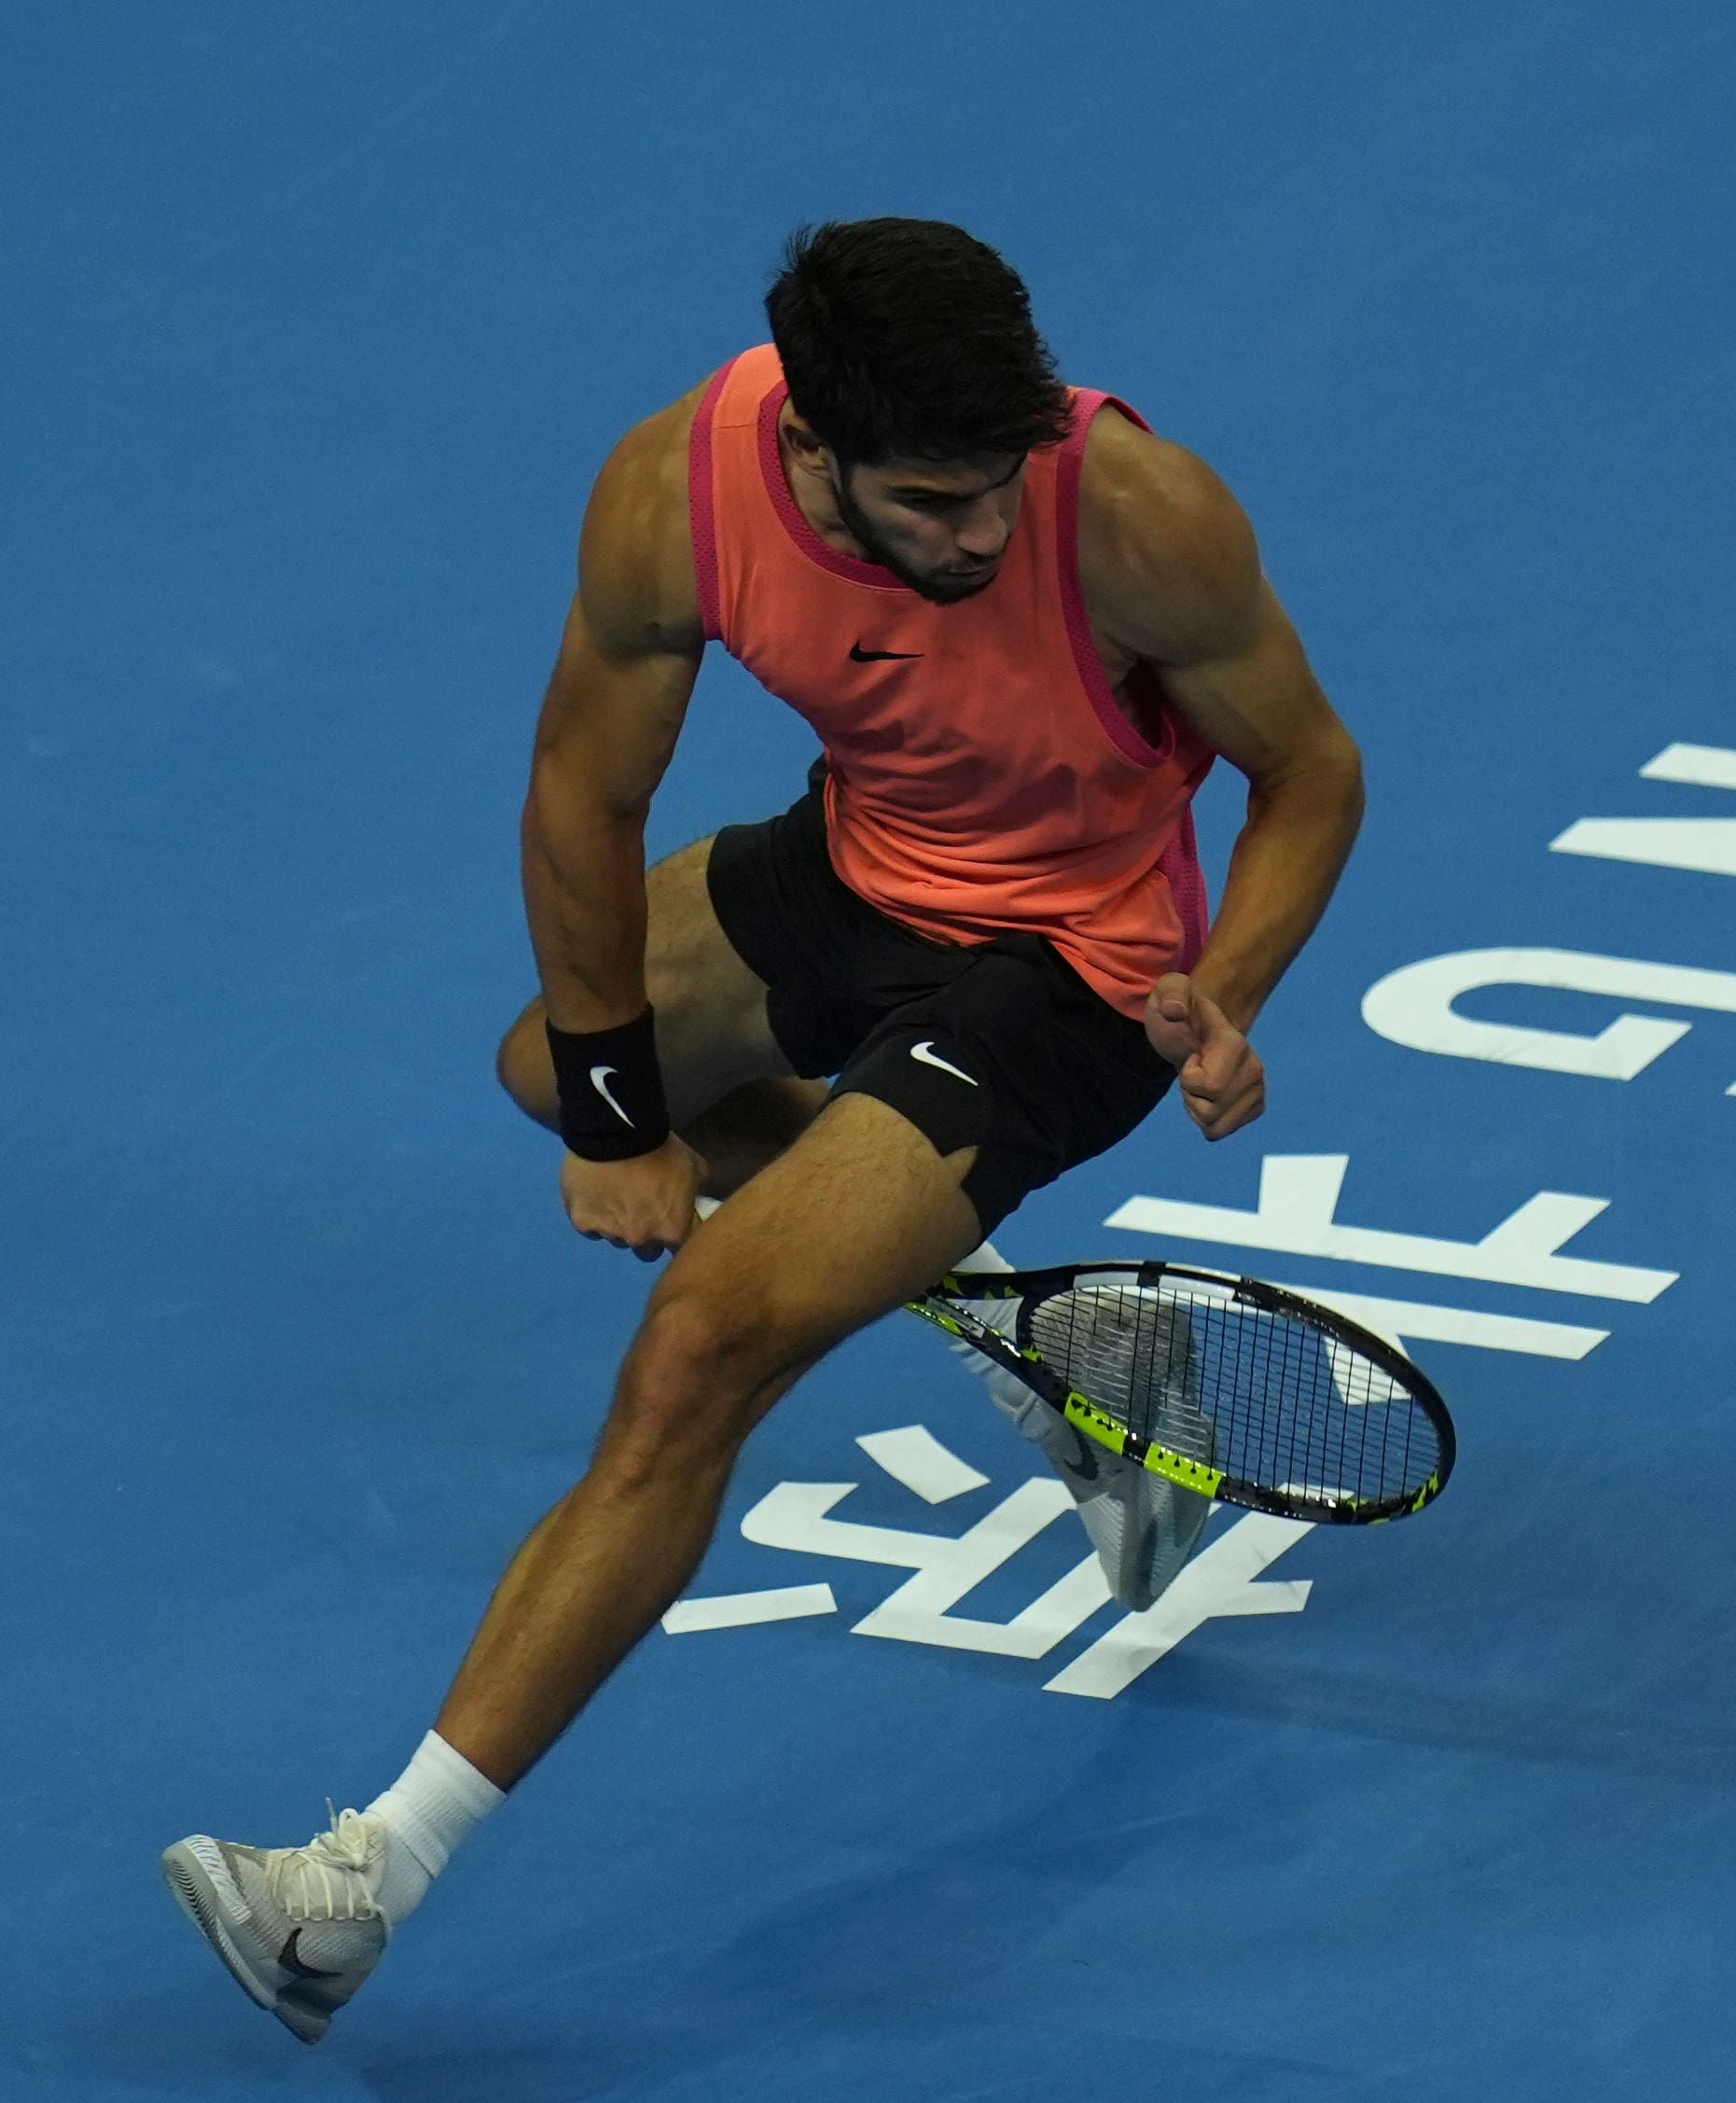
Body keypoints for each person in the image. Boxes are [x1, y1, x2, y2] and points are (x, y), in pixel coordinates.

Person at [159, 217, 1366, 2044]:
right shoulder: (677, 489)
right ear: (813, 451)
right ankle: (1063, 1343)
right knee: (549, 1068)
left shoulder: (1131, 514)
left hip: (1076, 963)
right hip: (859, 869)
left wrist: (1233, 986)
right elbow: (583, 782)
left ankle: (356, 1883)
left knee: (700, 1344)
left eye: (999, 489)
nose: (981, 532)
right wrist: (623, 1117)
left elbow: (1311, 768)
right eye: (935, 499)